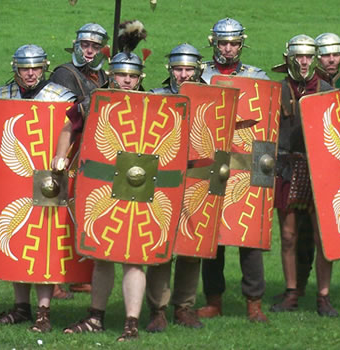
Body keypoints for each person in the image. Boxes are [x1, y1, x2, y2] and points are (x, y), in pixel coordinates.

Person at [0, 44, 76, 333]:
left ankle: (44, 311)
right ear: (16, 69)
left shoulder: (61, 97)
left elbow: (74, 131)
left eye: (35, 68)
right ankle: (21, 307)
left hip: (49, 181)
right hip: (15, 180)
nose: (31, 73)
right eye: (25, 69)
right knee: (16, 239)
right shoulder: (1, 96)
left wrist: (63, 160)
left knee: (44, 243)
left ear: (44, 68)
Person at [55, 50, 149, 342]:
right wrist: (60, 156)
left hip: (138, 190)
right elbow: (69, 126)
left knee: (134, 257)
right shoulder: (93, 102)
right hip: (101, 189)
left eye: (132, 76)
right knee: (102, 256)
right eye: (122, 74)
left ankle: (131, 322)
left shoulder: (152, 105)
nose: (127, 80)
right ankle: (96, 317)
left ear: (140, 78)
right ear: (111, 74)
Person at [197, 18, 270, 322]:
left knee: (248, 236)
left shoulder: (258, 78)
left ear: (242, 44)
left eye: (234, 43)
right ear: (213, 43)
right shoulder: (200, 76)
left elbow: (266, 125)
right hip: (210, 163)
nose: (228, 49)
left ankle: (254, 302)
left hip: (246, 165)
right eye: (223, 43)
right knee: (211, 235)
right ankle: (213, 300)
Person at [291, 33, 340, 308]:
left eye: (335, 54)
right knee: (304, 232)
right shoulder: (308, 85)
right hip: (311, 168)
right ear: (316, 57)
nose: (331, 59)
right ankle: (298, 288)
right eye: (325, 55)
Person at [270, 34, 338, 317]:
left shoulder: (327, 90)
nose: (304, 62)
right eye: (299, 56)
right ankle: (291, 293)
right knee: (288, 236)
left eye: (308, 56)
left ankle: (323, 296)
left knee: (323, 238)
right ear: (289, 59)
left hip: (319, 168)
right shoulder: (277, 91)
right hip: (287, 166)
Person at [144, 44, 205, 332]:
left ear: (198, 70)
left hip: (198, 177)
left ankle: (184, 307)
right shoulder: (156, 97)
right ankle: (158, 308)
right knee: (161, 243)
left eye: (188, 69)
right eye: (178, 69)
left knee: (192, 245)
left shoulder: (210, 98)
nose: (183, 75)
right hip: (163, 179)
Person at [49, 22, 110, 298]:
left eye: (95, 47)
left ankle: (80, 275)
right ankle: (54, 279)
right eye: (85, 45)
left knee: (85, 213)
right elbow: (63, 114)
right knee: (58, 214)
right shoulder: (64, 74)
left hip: (88, 152)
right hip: (66, 149)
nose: (89, 51)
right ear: (76, 45)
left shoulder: (103, 75)